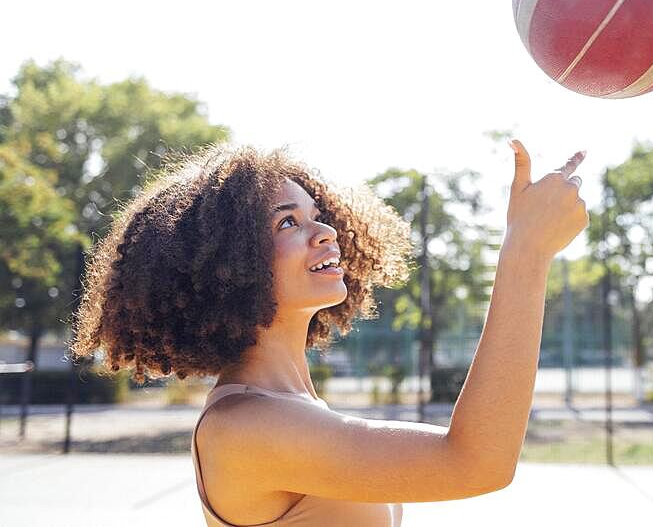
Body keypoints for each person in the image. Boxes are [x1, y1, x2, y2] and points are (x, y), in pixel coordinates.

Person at [70, 139, 588, 526]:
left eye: (316, 215)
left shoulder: (289, 406)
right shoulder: (244, 426)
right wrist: (527, 250)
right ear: (228, 266)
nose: (325, 232)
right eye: (287, 223)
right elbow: (477, 462)